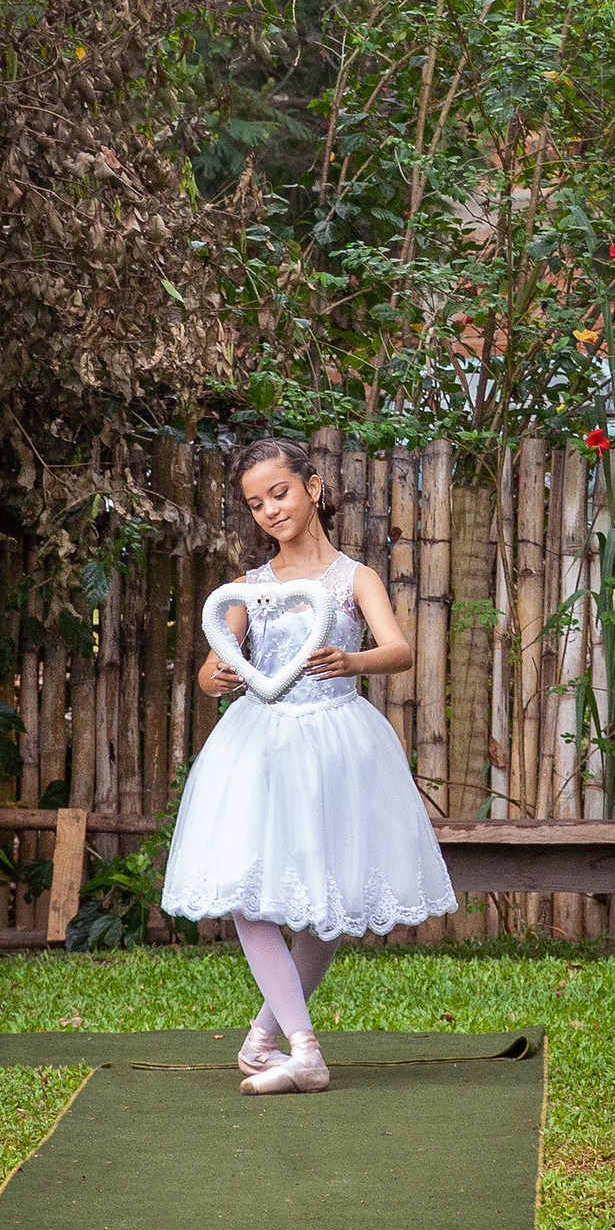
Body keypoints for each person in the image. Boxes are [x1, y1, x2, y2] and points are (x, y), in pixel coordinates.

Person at [161, 437, 457, 1095]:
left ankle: (271, 1034)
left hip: (335, 743)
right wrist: (220, 677)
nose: (270, 509)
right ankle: (303, 1047)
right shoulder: (249, 589)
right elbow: (217, 666)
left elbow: (400, 649)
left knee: (332, 899)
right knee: (247, 893)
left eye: (280, 492)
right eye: (255, 503)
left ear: (314, 488)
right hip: (262, 747)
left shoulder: (355, 579)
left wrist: (352, 662)